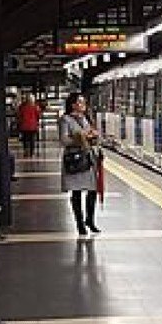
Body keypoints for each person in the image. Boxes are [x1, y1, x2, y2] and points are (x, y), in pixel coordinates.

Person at [58, 92, 104, 236]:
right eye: (80, 102)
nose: (83, 105)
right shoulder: (65, 120)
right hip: (75, 159)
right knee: (76, 192)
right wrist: (82, 138)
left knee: (92, 190)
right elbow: (64, 140)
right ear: (72, 104)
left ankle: (90, 219)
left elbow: (91, 135)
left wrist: (93, 137)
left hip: (88, 158)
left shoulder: (86, 118)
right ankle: (79, 223)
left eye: (84, 102)